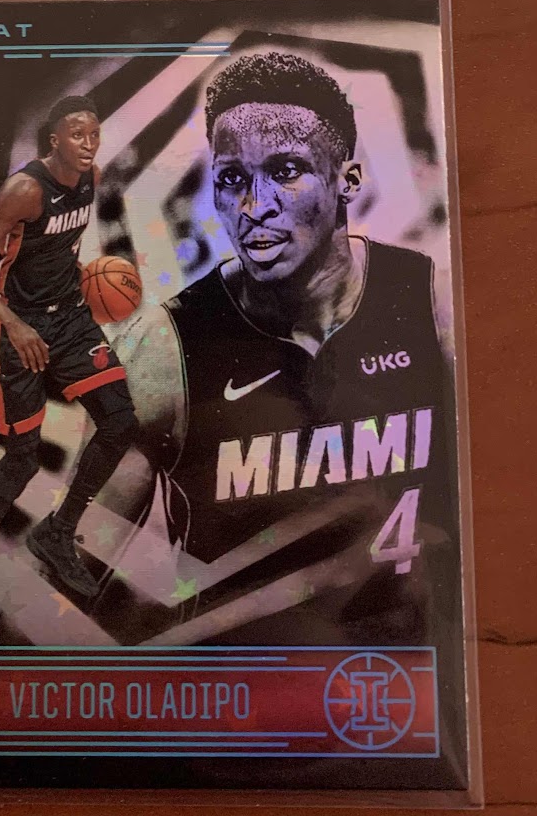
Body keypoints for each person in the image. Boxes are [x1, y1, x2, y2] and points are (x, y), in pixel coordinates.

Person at [110, 52, 459, 655]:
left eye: (286, 171)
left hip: (409, 682)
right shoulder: (168, 345)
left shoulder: (431, 303)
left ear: (348, 181)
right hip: (242, 694)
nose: (255, 206)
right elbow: (74, 559)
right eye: (232, 179)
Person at [0, 95, 140, 624]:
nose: (88, 143)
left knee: (120, 422)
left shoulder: (91, 177)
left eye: (94, 133)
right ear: (54, 139)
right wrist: (12, 321)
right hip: (19, 326)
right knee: (23, 458)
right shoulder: (25, 191)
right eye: (77, 134)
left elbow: (60, 250)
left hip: (70, 318)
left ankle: (57, 531)